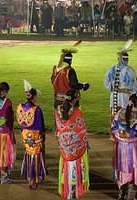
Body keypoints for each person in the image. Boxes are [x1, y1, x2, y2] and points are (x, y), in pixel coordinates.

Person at [51, 41, 90, 199]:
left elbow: (52, 82)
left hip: (58, 105)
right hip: (69, 105)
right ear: (70, 60)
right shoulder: (69, 71)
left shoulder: (56, 70)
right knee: (73, 126)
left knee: (62, 126)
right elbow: (73, 85)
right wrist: (84, 85)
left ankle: (63, 143)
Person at [111, 94, 137, 200]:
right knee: (134, 170)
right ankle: (130, 195)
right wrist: (130, 135)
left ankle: (121, 192)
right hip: (132, 149)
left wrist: (121, 135)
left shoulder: (119, 113)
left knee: (123, 169)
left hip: (120, 148)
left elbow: (113, 128)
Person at [16, 80, 46, 190]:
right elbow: (40, 126)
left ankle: (30, 178)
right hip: (35, 136)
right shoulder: (36, 109)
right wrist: (42, 138)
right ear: (34, 97)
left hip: (25, 135)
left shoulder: (20, 107)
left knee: (29, 155)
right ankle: (34, 180)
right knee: (36, 157)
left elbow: (20, 122)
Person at [104, 40, 137, 131]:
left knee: (116, 113)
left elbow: (106, 83)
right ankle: (124, 132)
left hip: (116, 96)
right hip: (125, 97)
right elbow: (136, 87)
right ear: (126, 59)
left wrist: (115, 89)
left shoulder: (112, 69)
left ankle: (114, 134)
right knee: (124, 114)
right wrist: (132, 94)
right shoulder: (131, 71)